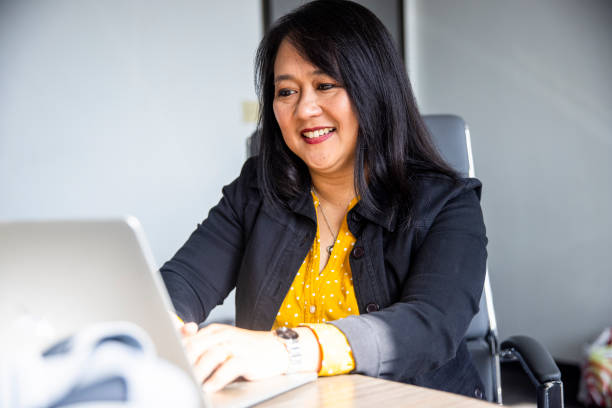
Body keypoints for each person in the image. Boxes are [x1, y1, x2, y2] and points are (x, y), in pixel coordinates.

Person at [161, 0, 488, 400]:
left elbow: (430, 326)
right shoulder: (256, 189)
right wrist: (165, 324)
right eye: (286, 92)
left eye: (325, 85)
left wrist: (288, 349)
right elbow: (185, 282)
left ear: (373, 89)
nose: (305, 109)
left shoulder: (449, 204)